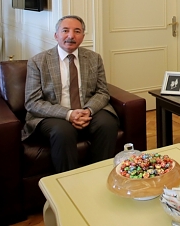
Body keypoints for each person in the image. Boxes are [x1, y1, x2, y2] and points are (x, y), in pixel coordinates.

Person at [22, 15, 119, 172]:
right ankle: (68, 181)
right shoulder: (37, 61)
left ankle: (99, 175)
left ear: (83, 36)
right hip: (53, 115)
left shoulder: (94, 58)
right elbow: (33, 102)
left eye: (77, 31)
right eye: (65, 30)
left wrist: (88, 110)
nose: (71, 36)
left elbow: (102, 92)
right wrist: (69, 114)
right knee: (63, 131)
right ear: (56, 35)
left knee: (107, 124)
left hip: (87, 109)